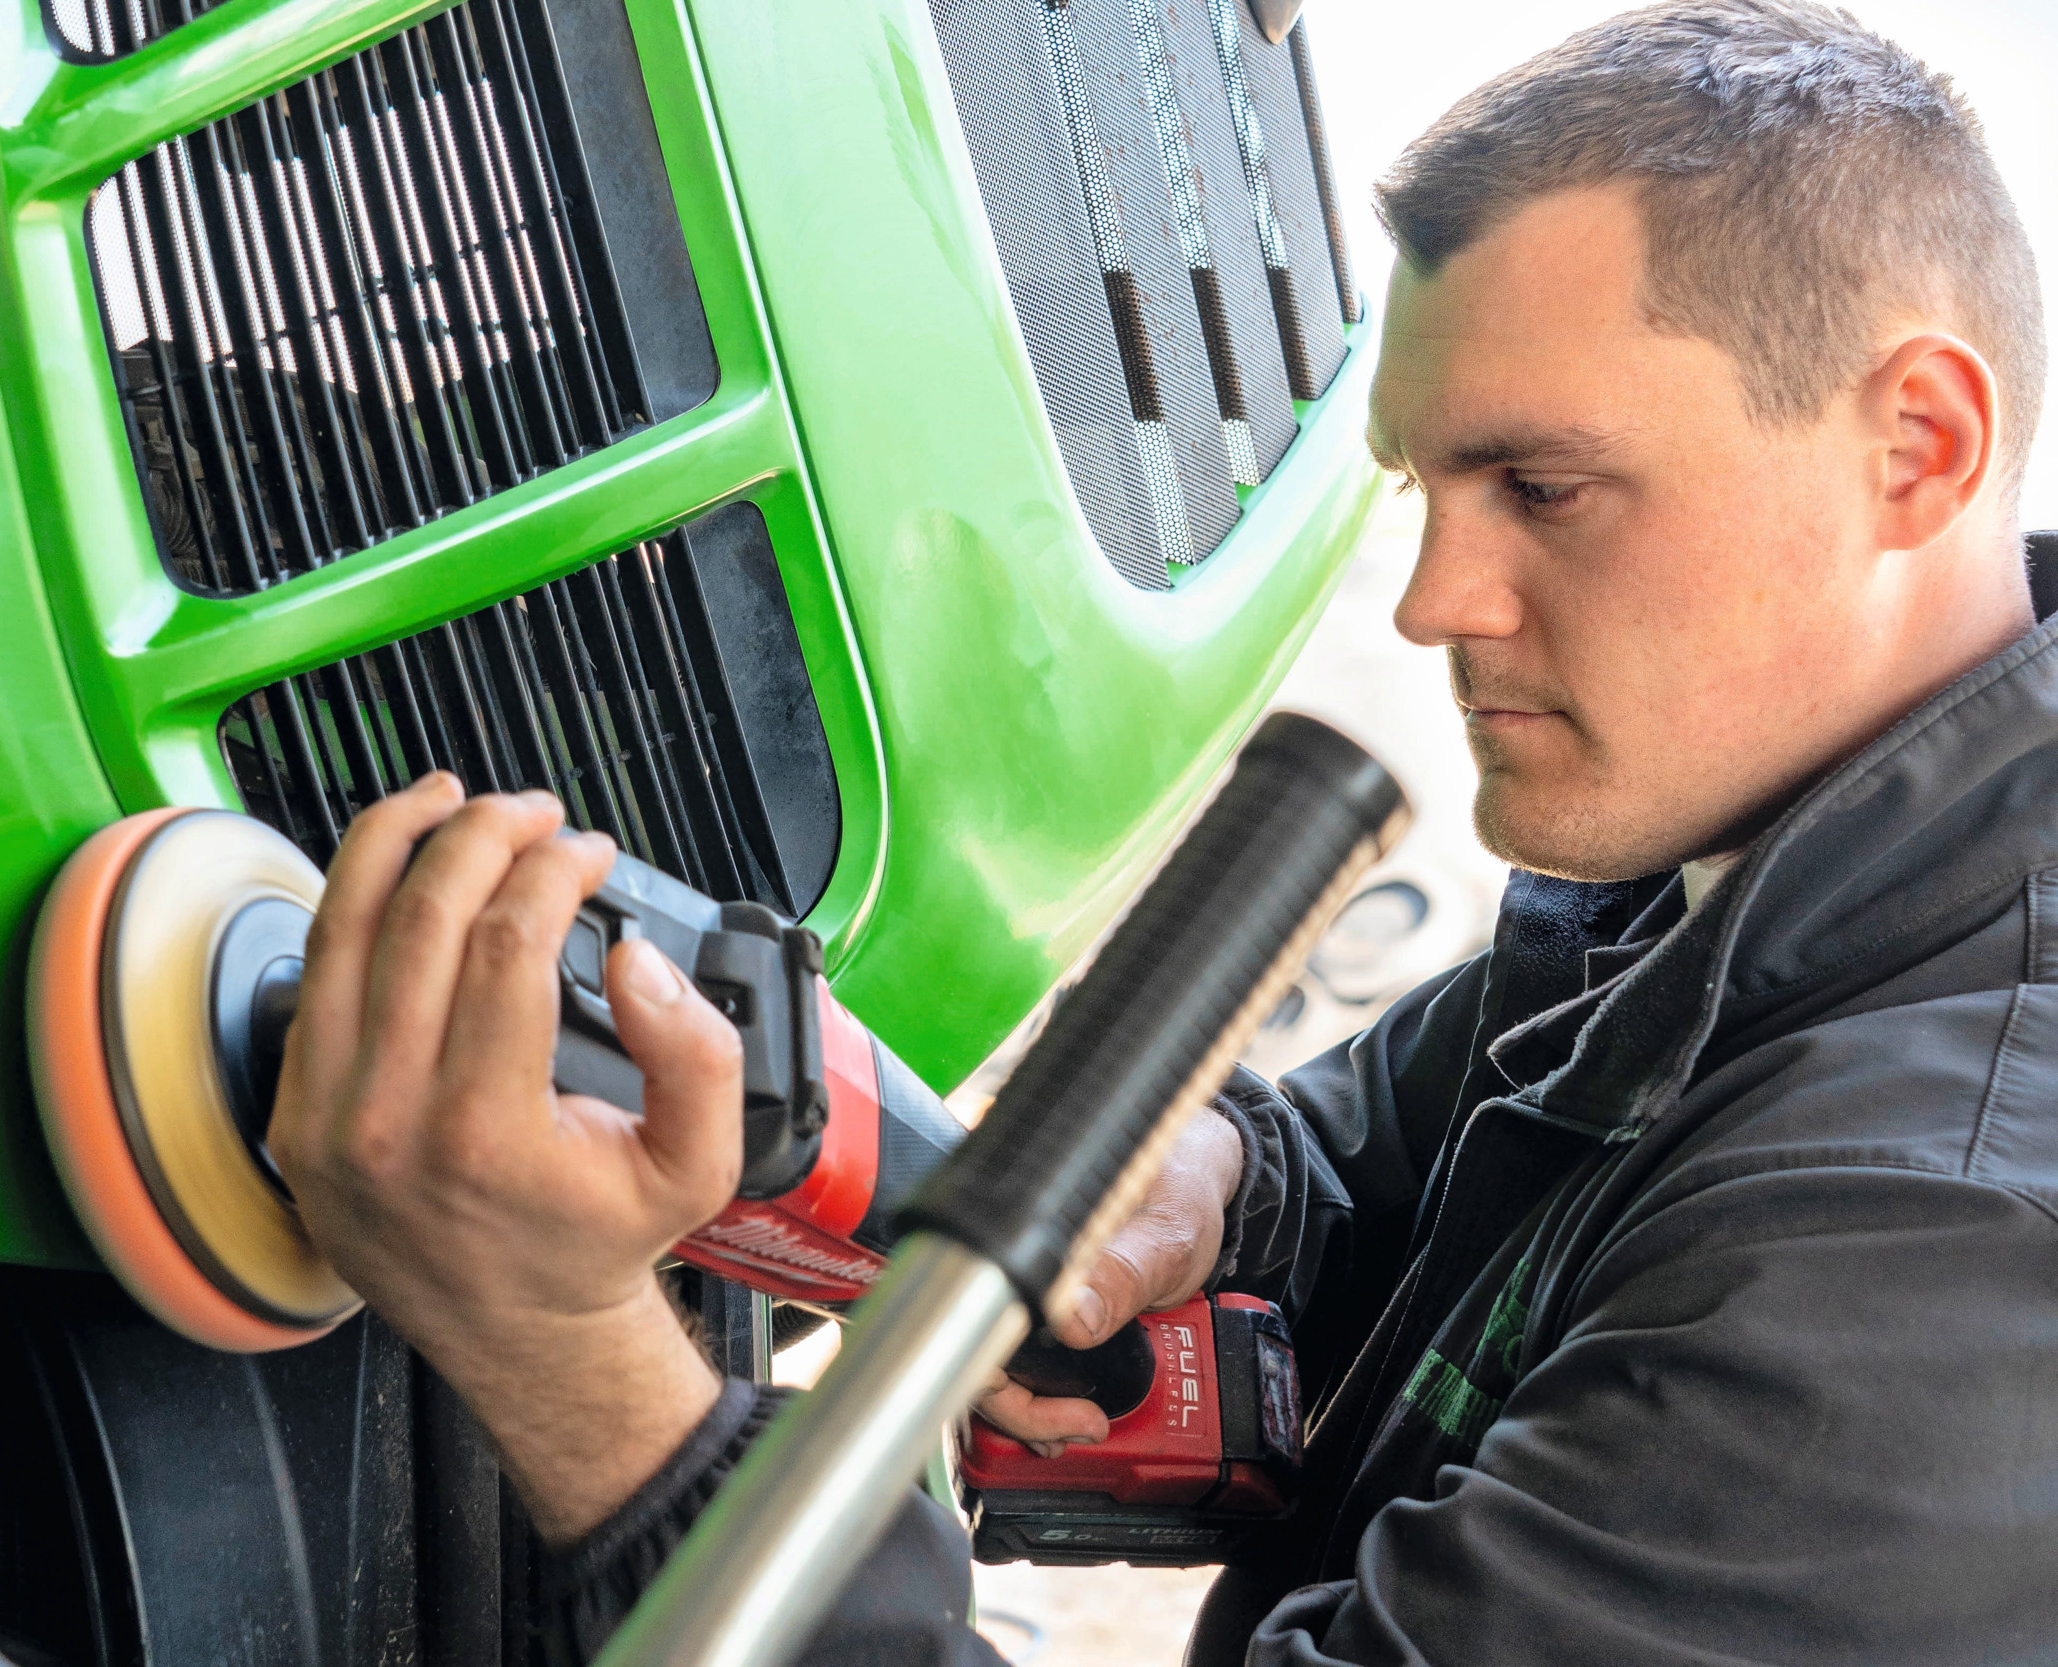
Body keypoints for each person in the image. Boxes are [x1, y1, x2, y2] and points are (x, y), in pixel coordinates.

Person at [263, 1, 2058, 1660]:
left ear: (1918, 446)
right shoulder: (1778, 871)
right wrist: (1200, 1192)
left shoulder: (1930, 1266)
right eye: (1424, 485)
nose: (1437, 599)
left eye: (1542, 488)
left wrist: (572, 1363)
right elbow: (1389, 1156)